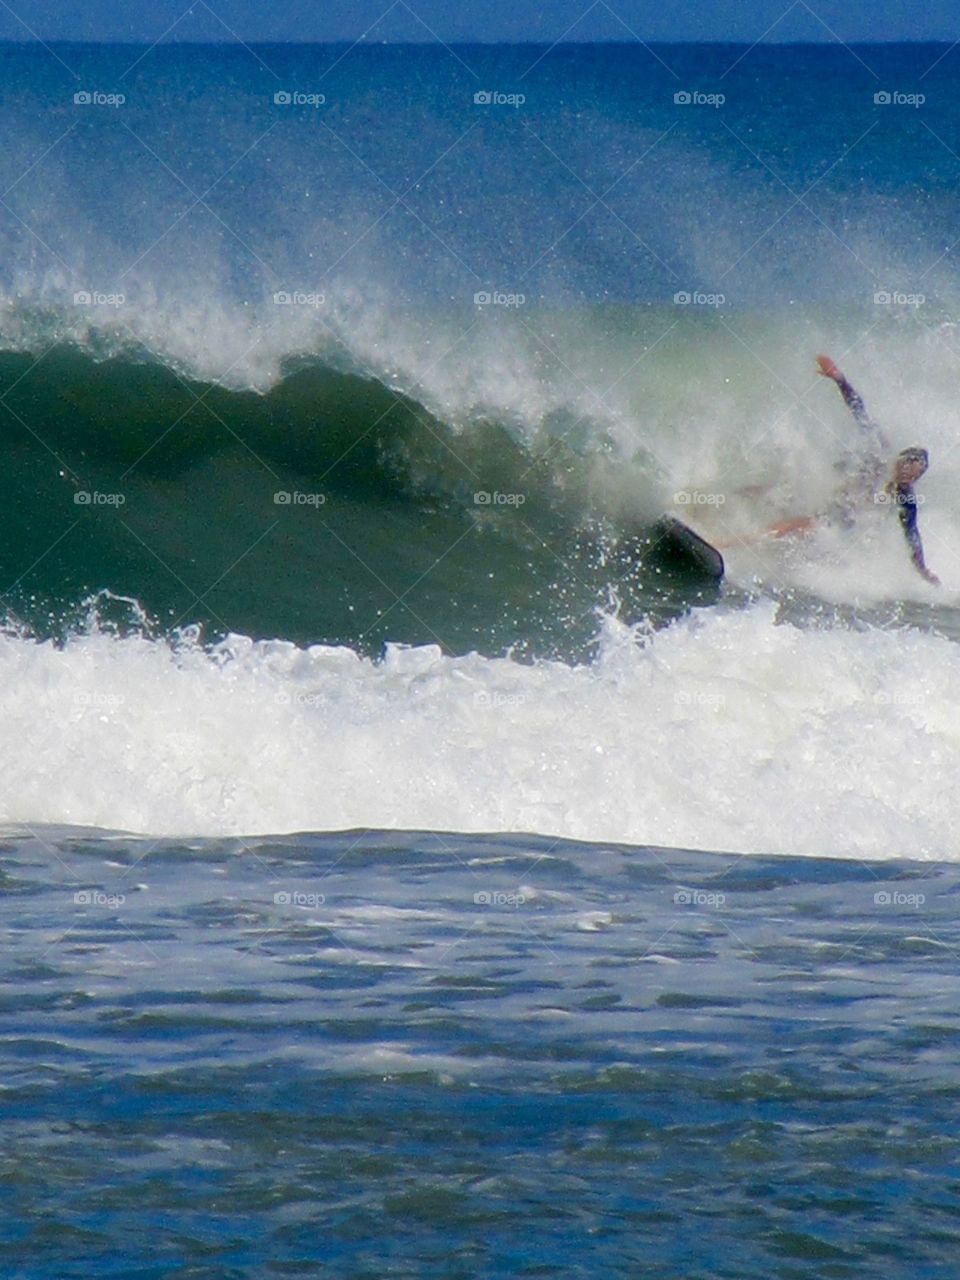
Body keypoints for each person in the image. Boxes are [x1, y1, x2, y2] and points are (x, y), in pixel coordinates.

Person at [766, 355, 939, 585]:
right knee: (768, 494)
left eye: (914, 476)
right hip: (831, 497)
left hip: (841, 522)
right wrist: (840, 379)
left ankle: (733, 545)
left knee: (788, 530)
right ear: (900, 460)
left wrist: (922, 569)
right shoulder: (881, 452)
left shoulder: (905, 496)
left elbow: (912, 535)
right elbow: (859, 410)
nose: (907, 478)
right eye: (907, 469)